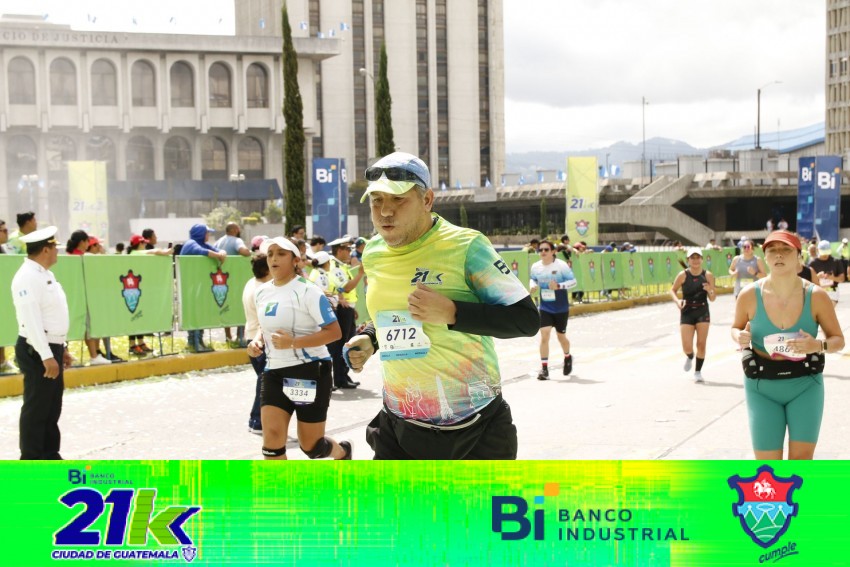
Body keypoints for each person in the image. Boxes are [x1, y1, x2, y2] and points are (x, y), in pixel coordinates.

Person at [344, 151, 539, 460]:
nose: (385, 212)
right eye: (377, 201)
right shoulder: (373, 252)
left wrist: (453, 313)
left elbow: (526, 320)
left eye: (398, 200)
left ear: (427, 200)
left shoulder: (466, 246)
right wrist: (371, 338)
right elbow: (395, 313)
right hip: (399, 426)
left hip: (474, 427)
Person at [731, 230, 844, 460]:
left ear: (799, 257)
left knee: (800, 465)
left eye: (786, 250)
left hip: (805, 385)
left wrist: (817, 346)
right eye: (772, 250)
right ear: (765, 257)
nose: (779, 254)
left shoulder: (816, 296)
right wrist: (739, 336)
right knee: (768, 467)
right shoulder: (749, 295)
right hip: (762, 386)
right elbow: (736, 327)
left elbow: (838, 340)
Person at [247, 236, 351, 460]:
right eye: (270, 254)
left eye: (281, 254)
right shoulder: (262, 292)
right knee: (271, 442)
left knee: (311, 446)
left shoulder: (308, 291)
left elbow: (334, 332)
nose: (273, 259)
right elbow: (264, 327)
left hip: (308, 372)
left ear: (295, 260)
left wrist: (293, 342)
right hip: (274, 372)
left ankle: (342, 452)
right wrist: (257, 341)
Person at [12, 226, 74, 459]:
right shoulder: (26, 277)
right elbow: (31, 321)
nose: (58, 252)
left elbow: (51, 316)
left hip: (50, 346)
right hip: (37, 348)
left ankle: (49, 454)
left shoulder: (45, 274)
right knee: (37, 407)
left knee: (51, 406)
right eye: (55, 248)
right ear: (46, 250)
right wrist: (46, 355)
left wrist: (62, 347)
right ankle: (31, 459)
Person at [529, 239, 577, 380]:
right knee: (544, 335)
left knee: (561, 337)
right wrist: (533, 285)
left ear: (553, 251)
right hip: (545, 307)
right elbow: (533, 279)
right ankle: (544, 369)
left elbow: (573, 282)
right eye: (540, 250)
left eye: (546, 249)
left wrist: (559, 286)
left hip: (561, 307)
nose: (543, 252)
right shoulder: (536, 267)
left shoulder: (561, 266)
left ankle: (567, 356)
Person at [669, 248, 716, 382]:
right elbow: (672, 290)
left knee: (701, 344)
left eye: (698, 257)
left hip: (702, 310)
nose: (695, 260)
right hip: (687, 311)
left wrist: (710, 290)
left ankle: (698, 372)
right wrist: (677, 301)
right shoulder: (683, 275)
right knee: (687, 347)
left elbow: (713, 298)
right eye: (692, 258)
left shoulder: (708, 275)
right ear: (688, 260)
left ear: (702, 259)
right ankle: (690, 356)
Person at [180, 224, 227, 352]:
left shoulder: (202, 243)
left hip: (198, 286)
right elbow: (203, 252)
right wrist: (218, 255)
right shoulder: (191, 244)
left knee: (199, 313)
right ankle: (194, 342)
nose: (208, 235)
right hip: (189, 286)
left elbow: (217, 250)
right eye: (207, 233)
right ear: (200, 234)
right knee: (194, 313)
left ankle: (198, 341)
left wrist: (222, 253)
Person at [327, 236, 365, 389]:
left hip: (347, 307)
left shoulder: (341, 266)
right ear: (339, 250)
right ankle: (340, 378)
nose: (350, 252)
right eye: (347, 249)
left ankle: (343, 375)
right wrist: (360, 274)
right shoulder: (335, 267)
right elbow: (346, 287)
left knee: (347, 342)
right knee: (342, 344)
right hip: (342, 309)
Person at [242, 252, 272, 435]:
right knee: (266, 382)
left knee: (266, 382)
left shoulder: (251, 283)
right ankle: (257, 421)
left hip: (251, 336)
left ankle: (261, 421)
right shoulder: (264, 290)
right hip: (260, 340)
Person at [215, 222, 251, 347]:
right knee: (240, 306)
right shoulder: (237, 240)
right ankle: (240, 336)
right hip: (236, 279)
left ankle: (228, 337)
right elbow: (244, 251)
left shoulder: (219, 241)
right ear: (235, 230)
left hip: (222, 280)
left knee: (226, 307)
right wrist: (250, 252)